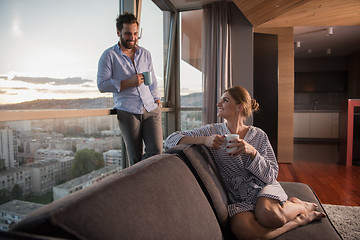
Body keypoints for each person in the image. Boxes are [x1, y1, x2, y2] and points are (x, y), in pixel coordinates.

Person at [165, 86, 326, 239]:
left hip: (263, 188)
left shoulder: (259, 135)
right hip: (239, 197)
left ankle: (301, 206)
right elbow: (170, 140)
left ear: (239, 107)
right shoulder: (212, 131)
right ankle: (299, 220)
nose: (218, 104)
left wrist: (252, 152)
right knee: (244, 232)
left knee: (270, 216)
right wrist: (205, 140)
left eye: (225, 100)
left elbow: (271, 175)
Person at [97, 13, 162, 166]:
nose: (132, 37)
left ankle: (139, 178)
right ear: (118, 33)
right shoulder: (109, 56)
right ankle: (138, 187)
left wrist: (157, 99)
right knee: (135, 158)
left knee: (157, 152)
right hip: (128, 111)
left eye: (135, 34)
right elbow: (102, 85)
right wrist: (127, 82)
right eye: (127, 33)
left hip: (151, 109)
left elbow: (152, 80)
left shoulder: (145, 54)